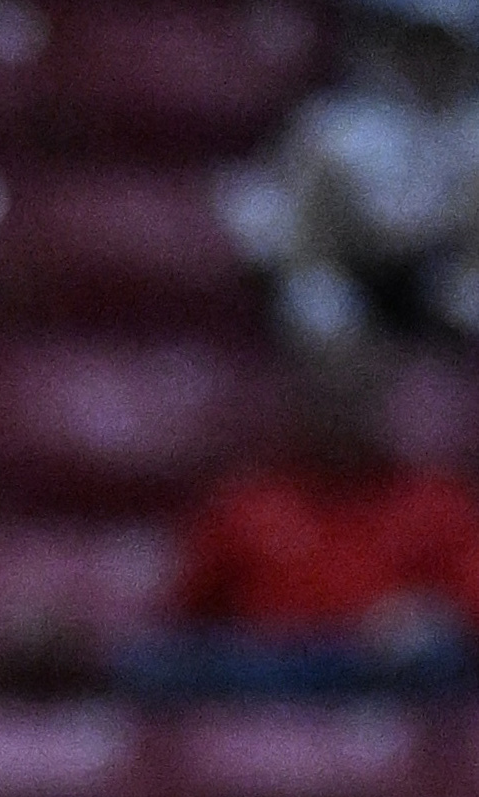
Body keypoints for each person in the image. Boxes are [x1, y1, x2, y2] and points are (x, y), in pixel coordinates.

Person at [126, 340, 479, 699]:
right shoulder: (245, 502)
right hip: (268, 690)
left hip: (383, 691)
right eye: (327, 399)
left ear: (380, 404)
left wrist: (433, 617)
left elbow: (470, 611)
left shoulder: (438, 502)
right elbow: (180, 624)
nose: (340, 415)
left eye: (353, 399)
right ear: (298, 404)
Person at [245, 0, 479, 347]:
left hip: (445, 282)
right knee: (317, 307)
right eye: (416, 48)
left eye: (442, 49)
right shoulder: (335, 125)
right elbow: (299, 241)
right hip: (354, 279)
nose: (430, 63)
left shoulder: (471, 129)